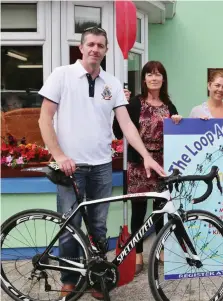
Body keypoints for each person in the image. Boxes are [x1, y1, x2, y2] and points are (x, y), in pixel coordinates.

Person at [38, 27, 166, 298]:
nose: (95, 49)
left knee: (98, 228)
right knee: (69, 229)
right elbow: (44, 119)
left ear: (106, 50)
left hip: (101, 166)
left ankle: (96, 279)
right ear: (81, 48)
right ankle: (69, 281)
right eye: (91, 44)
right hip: (70, 167)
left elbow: (127, 124)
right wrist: (60, 157)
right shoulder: (62, 75)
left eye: (100, 45)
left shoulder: (113, 83)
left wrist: (145, 155)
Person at [113, 61, 181, 275]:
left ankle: (159, 250)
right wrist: (119, 104)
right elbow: (118, 131)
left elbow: (178, 135)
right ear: (144, 79)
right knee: (139, 212)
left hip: (163, 162)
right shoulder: (134, 103)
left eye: (158, 74)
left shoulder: (169, 105)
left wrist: (178, 121)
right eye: (150, 74)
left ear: (163, 79)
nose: (154, 78)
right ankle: (138, 253)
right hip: (138, 163)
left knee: (161, 210)